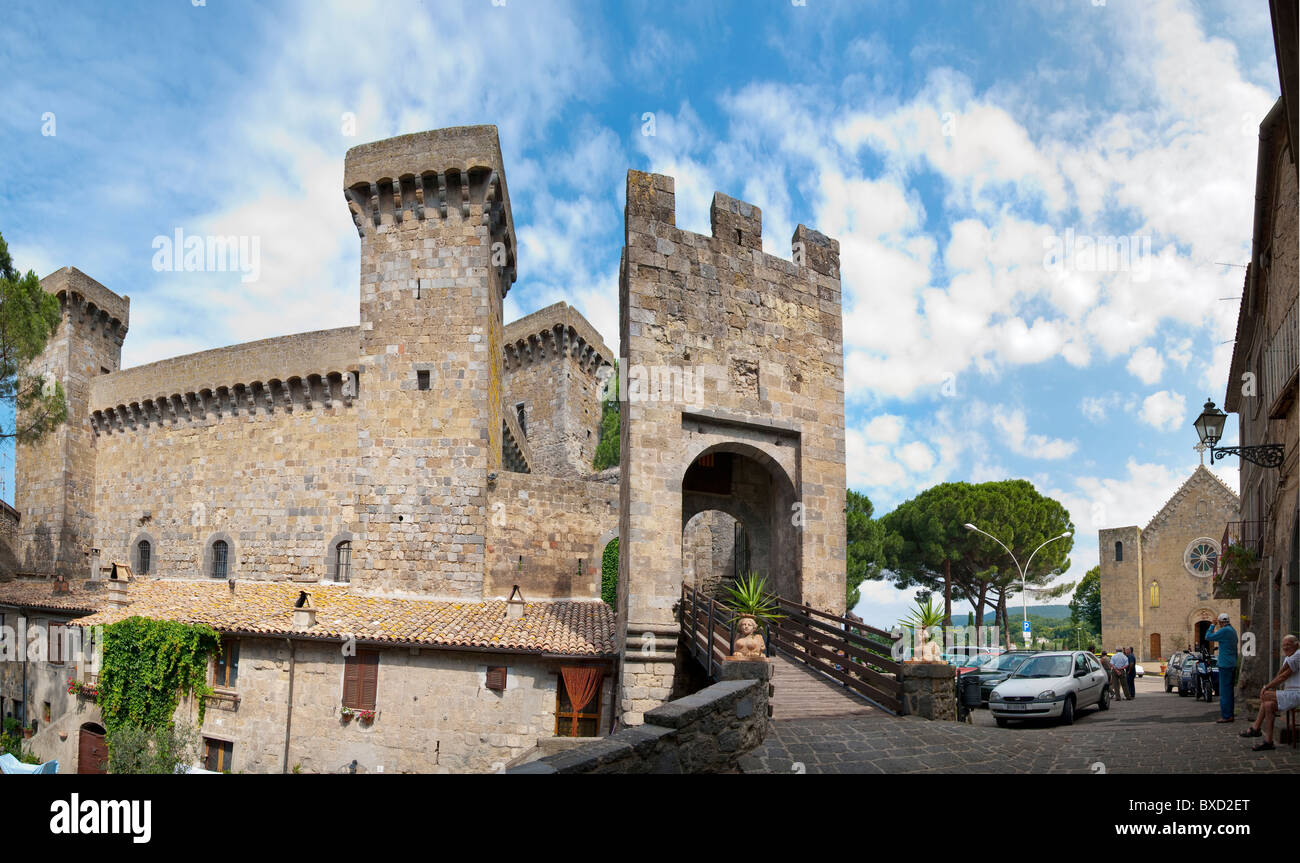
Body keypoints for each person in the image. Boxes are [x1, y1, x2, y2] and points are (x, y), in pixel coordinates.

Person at [1240, 634, 1300, 750]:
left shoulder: (1298, 655)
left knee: (1266, 695)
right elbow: (1281, 674)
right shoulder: (1290, 657)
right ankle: (1268, 741)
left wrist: (1267, 687)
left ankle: (1256, 728)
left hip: (1297, 693)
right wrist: (1270, 686)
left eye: (1288, 644)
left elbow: (1283, 676)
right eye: (1283, 645)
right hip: (1290, 693)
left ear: (1296, 645)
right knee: (1268, 704)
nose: (1285, 647)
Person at [1205, 613, 1239, 723]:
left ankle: (1226, 715)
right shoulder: (1233, 631)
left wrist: (1212, 625)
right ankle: (1230, 714)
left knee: (1224, 692)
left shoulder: (1224, 631)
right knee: (1229, 691)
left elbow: (1208, 636)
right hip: (1232, 663)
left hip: (1225, 665)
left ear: (1220, 622)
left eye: (1218, 623)